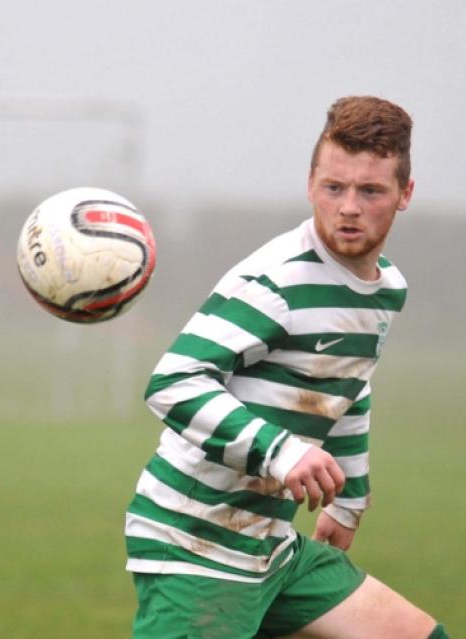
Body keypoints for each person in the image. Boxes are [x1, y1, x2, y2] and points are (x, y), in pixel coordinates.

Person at [124, 96, 450, 638]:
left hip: (269, 545)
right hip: (196, 541)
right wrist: (282, 451)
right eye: (333, 187)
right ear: (310, 184)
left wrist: (349, 498)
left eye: (370, 190)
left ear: (404, 194)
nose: (348, 206)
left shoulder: (386, 290)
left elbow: (349, 383)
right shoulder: (278, 282)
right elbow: (173, 383)